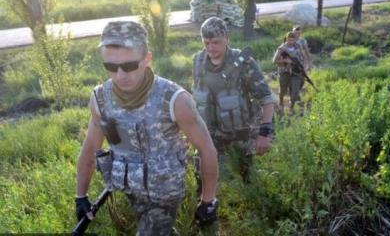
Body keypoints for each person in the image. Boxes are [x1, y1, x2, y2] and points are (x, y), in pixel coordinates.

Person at [75, 21, 219, 235]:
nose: (120, 75)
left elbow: (207, 149)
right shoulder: (101, 99)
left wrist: (208, 200)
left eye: (129, 66)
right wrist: (81, 195)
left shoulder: (174, 99)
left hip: (164, 193)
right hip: (128, 187)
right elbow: (90, 148)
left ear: (147, 60)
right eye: (111, 67)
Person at [192, 17, 275, 184]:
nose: (211, 47)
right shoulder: (198, 61)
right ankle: (208, 206)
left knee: (247, 178)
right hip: (209, 134)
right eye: (206, 42)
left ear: (227, 38)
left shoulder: (243, 62)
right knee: (201, 175)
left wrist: (264, 132)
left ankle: (250, 204)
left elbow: (266, 98)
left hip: (240, 134)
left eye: (216, 42)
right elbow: (196, 96)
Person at [272, 31, 306, 114]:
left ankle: (291, 106)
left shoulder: (298, 46)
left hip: (296, 72)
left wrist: (304, 66)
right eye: (289, 40)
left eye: (292, 40)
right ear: (286, 39)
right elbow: (274, 61)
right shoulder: (282, 48)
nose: (291, 42)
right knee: (283, 90)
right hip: (284, 72)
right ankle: (281, 101)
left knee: (295, 91)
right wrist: (285, 60)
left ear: (295, 40)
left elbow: (303, 57)